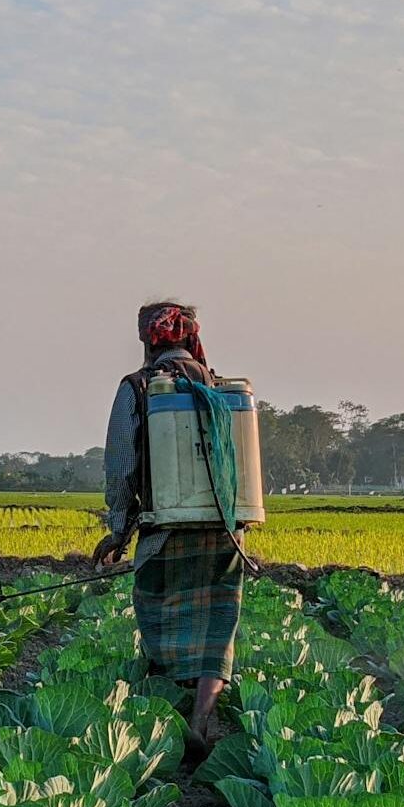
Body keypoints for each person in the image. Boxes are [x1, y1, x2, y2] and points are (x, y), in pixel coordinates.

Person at [93, 300, 246, 753]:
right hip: (224, 531)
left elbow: (121, 464)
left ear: (147, 339)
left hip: (163, 531)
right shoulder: (219, 386)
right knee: (218, 626)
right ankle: (202, 716)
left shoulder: (138, 388)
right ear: (191, 336)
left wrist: (118, 531)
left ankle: (166, 719)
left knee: (161, 619)